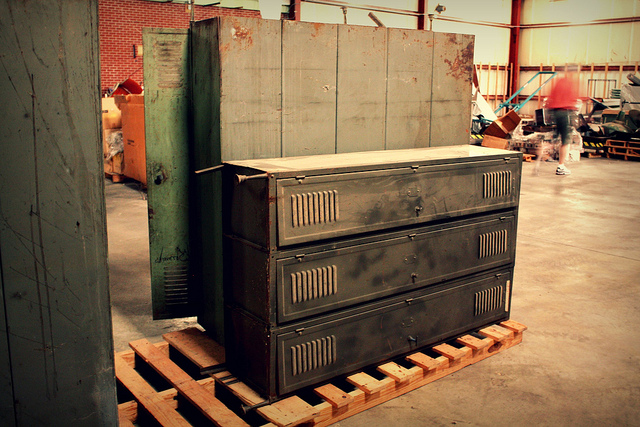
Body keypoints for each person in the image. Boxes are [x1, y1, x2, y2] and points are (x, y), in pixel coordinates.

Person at [547, 68, 580, 175]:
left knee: (555, 138)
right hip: (565, 112)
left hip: (555, 112)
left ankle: (543, 154)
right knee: (566, 140)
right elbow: (573, 99)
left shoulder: (559, 81)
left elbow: (551, 97)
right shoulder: (570, 83)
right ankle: (561, 166)